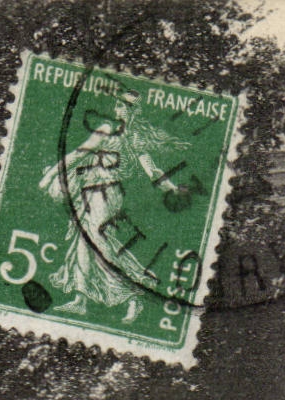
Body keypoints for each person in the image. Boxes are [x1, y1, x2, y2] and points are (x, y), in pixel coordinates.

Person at [39, 89, 187, 323]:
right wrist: (53, 173)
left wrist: (172, 188)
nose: (116, 109)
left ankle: (134, 293)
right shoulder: (111, 131)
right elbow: (79, 154)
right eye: (117, 106)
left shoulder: (128, 136)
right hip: (90, 192)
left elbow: (152, 171)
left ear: (129, 111)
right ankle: (81, 300)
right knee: (84, 242)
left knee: (98, 242)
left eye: (120, 106)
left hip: (106, 194)